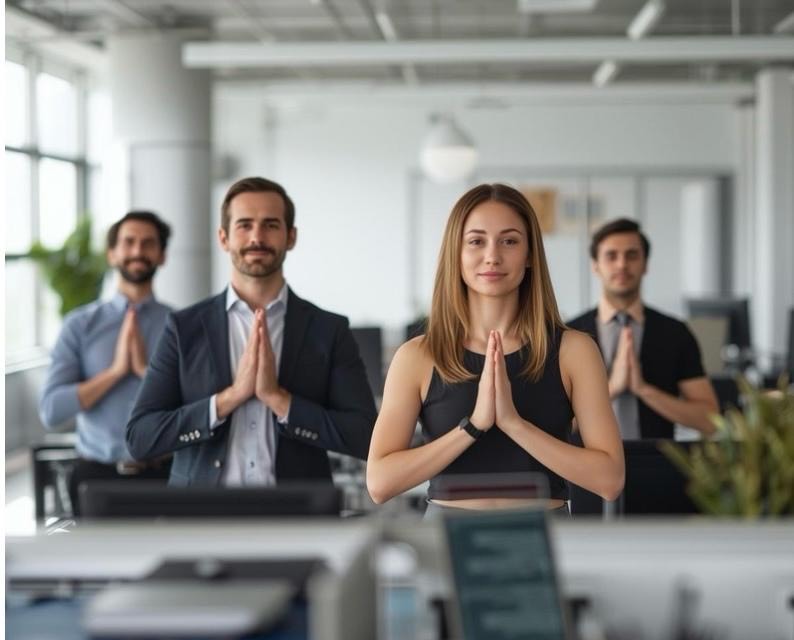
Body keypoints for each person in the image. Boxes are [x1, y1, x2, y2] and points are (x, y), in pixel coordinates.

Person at [366, 183, 624, 513]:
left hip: (545, 533)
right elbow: (379, 483)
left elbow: (610, 479)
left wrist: (514, 423)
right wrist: (473, 426)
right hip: (448, 536)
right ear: (456, 254)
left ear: (530, 254)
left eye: (509, 241)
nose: (492, 255)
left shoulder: (575, 351)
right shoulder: (417, 356)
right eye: (476, 241)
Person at [126, 176, 376, 487]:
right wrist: (228, 399)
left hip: (299, 518)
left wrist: (279, 399)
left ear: (291, 237)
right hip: (201, 520)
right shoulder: (184, 328)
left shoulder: (329, 330)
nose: (257, 236)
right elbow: (140, 437)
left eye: (271, 225)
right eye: (244, 225)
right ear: (223, 238)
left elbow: (365, 436)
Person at [39, 211, 173, 514]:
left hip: (166, 477)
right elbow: (51, 410)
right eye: (129, 242)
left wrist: (144, 371)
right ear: (112, 254)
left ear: (162, 255)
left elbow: (198, 405)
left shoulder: (182, 325)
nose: (137, 251)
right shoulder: (80, 325)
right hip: (96, 478)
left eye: (148, 243)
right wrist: (115, 372)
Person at [567, 218, 719, 439]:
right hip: (585, 468)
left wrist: (643, 390)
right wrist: (613, 388)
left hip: (658, 466)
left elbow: (710, 422)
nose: (621, 264)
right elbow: (552, 426)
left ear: (646, 264)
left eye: (632, 255)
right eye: (611, 256)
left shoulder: (675, 333)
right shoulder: (569, 334)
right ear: (595, 265)